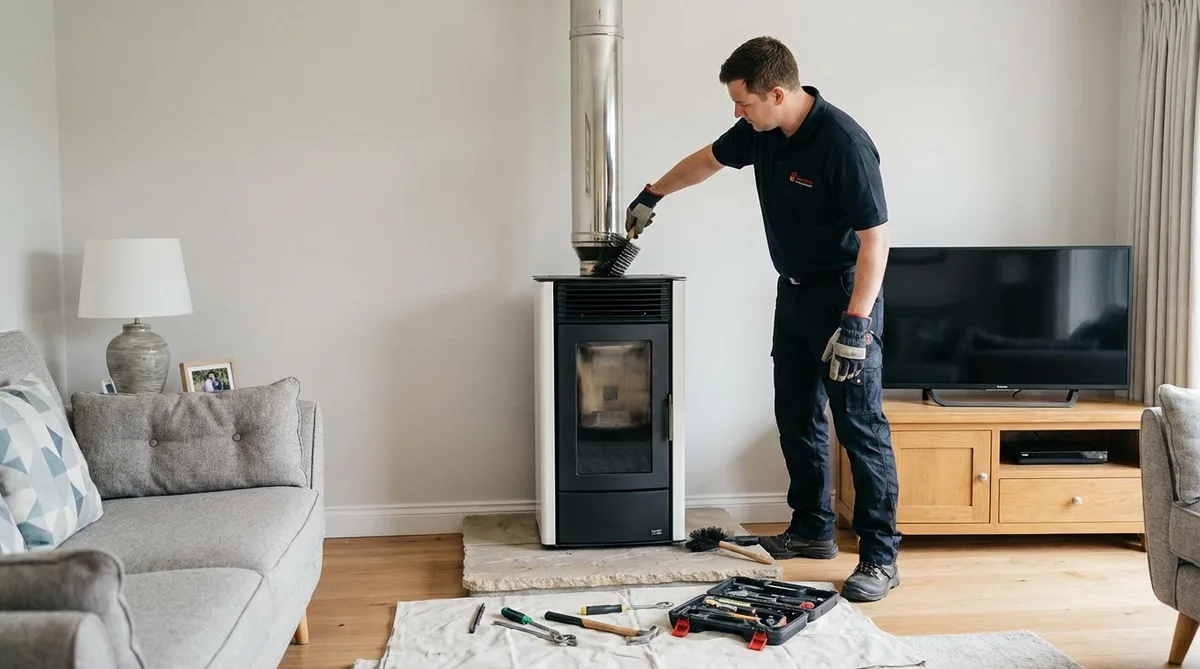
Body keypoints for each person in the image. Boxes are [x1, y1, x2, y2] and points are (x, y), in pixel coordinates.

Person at [625, 36, 901, 602]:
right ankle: (811, 532)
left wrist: (856, 324)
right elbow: (706, 161)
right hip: (794, 294)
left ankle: (879, 557)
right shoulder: (762, 132)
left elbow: (877, 241)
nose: (737, 112)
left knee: (861, 430)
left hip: (846, 297)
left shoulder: (843, 144)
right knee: (796, 415)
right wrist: (653, 193)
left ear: (778, 93)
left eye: (744, 102)